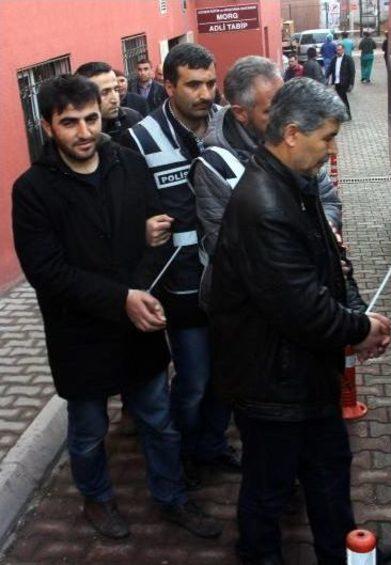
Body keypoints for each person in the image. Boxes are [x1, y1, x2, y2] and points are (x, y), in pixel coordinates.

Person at [11, 74, 222, 541]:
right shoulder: (32, 191)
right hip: (80, 335)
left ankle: (171, 498)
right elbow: (48, 272)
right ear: (48, 126)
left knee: (160, 423)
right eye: (70, 123)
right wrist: (121, 297)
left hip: (136, 326)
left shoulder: (128, 164)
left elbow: (155, 237)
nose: (84, 132)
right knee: (87, 433)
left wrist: (140, 289)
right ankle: (97, 498)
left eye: (90, 118)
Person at [207, 77, 391, 564]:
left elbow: (331, 264)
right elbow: (303, 308)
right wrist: (360, 329)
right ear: (292, 133)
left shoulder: (295, 183)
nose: (331, 149)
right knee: (268, 490)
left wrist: (353, 315)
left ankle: (342, 553)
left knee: (329, 472)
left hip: (303, 376)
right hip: (273, 385)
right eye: (327, 138)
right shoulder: (265, 205)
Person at [120, 43, 240, 489]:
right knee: (194, 380)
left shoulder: (231, 125)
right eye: (193, 85)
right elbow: (124, 208)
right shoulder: (140, 138)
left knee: (226, 376)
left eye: (210, 83)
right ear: (168, 86)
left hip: (231, 280)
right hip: (181, 283)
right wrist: (141, 228)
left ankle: (212, 444)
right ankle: (183, 452)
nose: (205, 93)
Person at [188, 56, 352, 311]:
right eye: (270, 110)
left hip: (305, 293)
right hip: (256, 312)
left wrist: (327, 232)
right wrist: (314, 257)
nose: (285, 117)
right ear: (241, 113)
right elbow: (222, 245)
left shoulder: (298, 141)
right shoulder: (213, 167)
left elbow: (328, 199)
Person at [75, 62, 143, 144]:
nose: (115, 99)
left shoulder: (133, 119)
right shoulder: (76, 133)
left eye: (116, 89)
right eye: (104, 93)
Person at [327, 43, 355, 120]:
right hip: (337, 82)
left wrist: (351, 84)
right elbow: (329, 69)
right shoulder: (334, 59)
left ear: (343, 50)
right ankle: (344, 115)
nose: (338, 51)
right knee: (340, 98)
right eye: (337, 50)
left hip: (344, 82)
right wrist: (326, 77)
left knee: (343, 98)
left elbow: (352, 71)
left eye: (339, 49)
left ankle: (348, 115)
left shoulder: (348, 59)